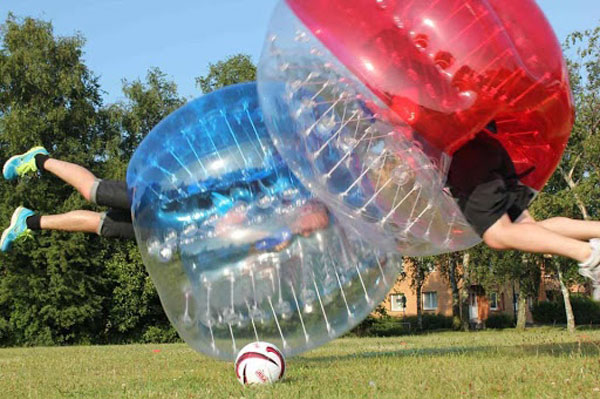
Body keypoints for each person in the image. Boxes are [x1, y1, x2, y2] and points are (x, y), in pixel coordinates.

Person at [1, 146, 331, 253]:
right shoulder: (271, 191)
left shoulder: (279, 232)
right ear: (309, 206)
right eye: (313, 227)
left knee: (101, 226)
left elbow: (235, 243)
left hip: (169, 230)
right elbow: (230, 195)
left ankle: (28, 221)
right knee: (94, 191)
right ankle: (40, 159)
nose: (309, 233)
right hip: (169, 200)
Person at [446, 122, 600, 299]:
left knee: (498, 235)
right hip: (489, 144)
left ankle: (590, 255)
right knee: (525, 225)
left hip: (464, 155)